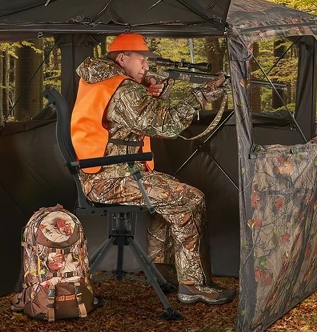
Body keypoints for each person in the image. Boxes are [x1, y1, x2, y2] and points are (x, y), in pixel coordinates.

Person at [70, 33, 236, 305]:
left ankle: (162, 272)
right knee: (191, 200)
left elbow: (130, 118)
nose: (146, 66)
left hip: (103, 174)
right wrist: (201, 95)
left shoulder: (100, 80)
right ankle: (193, 285)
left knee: (170, 197)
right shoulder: (125, 90)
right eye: (142, 59)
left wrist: (150, 89)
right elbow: (166, 126)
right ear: (122, 58)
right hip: (112, 179)